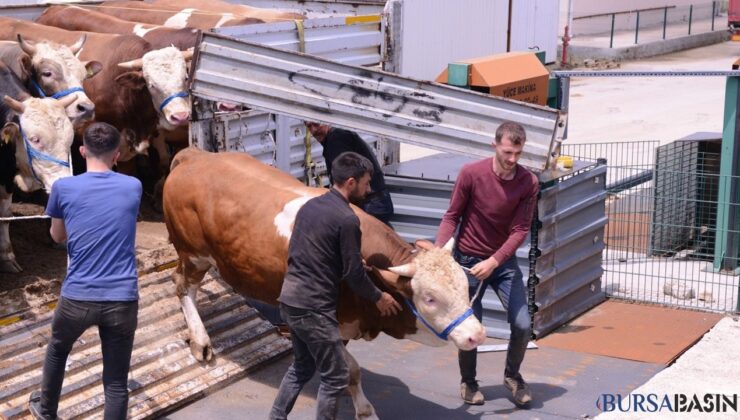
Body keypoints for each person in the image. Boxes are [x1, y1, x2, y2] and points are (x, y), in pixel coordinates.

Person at [270, 151, 402, 420]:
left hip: (291, 300)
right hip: (314, 308)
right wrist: (379, 297)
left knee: (302, 367)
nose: (370, 189)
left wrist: (351, 263)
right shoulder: (347, 219)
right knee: (335, 376)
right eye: (366, 183)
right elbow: (353, 275)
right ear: (351, 182)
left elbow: (305, 250)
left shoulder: (311, 206)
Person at [29, 122, 142, 420]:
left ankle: (47, 410)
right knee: (116, 382)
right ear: (117, 155)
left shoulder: (63, 187)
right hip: (123, 298)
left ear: (81, 151)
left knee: (57, 349)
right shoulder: (133, 186)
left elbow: (57, 236)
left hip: (78, 297)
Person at [435, 121, 539, 407]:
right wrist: (439, 251)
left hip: (502, 265)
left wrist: (494, 261)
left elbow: (520, 230)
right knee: (470, 330)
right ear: (494, 145)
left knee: (522, 324)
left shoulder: (528, 182)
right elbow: (452, 216)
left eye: (518, 153)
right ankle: (468, 383)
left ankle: (513, 376)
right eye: (507, 152)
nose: (512, 160)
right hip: (467, 264)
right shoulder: (471, 173)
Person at [304, 122, 394, 225]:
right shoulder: (335, 137)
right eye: (309, 126)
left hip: (371, 203)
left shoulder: (336, 139)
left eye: (316, 124)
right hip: (376, 201)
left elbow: (344, 179)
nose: (313, 130)